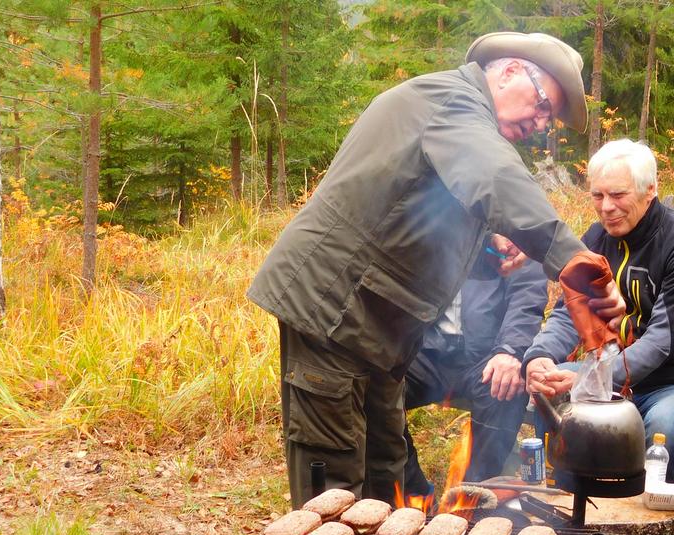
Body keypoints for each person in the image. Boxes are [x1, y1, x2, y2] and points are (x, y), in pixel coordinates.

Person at [247, 31, 625, 508]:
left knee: (385, 468)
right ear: (510, 72)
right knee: (334, 481)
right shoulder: (453, 102)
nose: (540, 124)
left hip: (378, 329)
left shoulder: (457, 118)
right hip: (332, 311)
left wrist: (488, 236)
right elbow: (494, 176)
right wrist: (572, 260)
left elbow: (412, 206)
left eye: (549, 120)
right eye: (544, 105)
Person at [524, 139, 674, 483]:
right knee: (548, 389)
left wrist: (587, 379)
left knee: (664, 427)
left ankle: (642, 512)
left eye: (618, 195)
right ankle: (564, 495)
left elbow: (661, 342)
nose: (606, 207)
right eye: (597, 195)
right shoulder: (595, 240)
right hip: (607, 372)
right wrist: (539, 356)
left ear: (651, 190)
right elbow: (569, 313)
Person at [403, 259, 548, 503]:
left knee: (505, 387)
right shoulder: (433, 237)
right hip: (425, 351)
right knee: (374, 385)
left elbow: (527, 296)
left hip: (487, 355)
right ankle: (413, 495)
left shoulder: (510, 243)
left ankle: (472, 499)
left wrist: (511, 350)